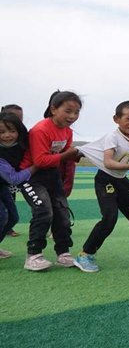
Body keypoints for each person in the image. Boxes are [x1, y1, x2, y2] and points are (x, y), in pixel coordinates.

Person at [72, 101, 129, 273]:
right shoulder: (113, 137)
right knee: (110, 218)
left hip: (121, 181)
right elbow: (108, 162)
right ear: (116, 119)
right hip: (105, 179)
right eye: (128, 118)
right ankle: (85, 254)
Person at [19, 91, 83, 271]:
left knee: (62, 213)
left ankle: (63, 253)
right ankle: (33, 255)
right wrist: (66, 155)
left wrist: (73, 157)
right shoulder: (40, 130)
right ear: (53, 109)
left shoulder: (67, 131)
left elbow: (63, 158)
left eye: (76, 112)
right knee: (43, 211)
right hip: (31, 176)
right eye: (68, 111)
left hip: (51, 175)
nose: (72, 116)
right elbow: (39, 160)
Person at [0, 112, 37, 259]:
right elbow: (13, 179)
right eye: (2, 132)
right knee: (2, 216)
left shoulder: (21, 144)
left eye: (12, 131)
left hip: (1, 186)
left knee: (13, 217)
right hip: (5, 182)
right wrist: (36, 166)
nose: (7, 135)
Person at [2, 104, 24, 238]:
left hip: (5, 184)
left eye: (19, 119)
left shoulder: (21, 137)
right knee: (2, 216)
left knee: (12, 217)